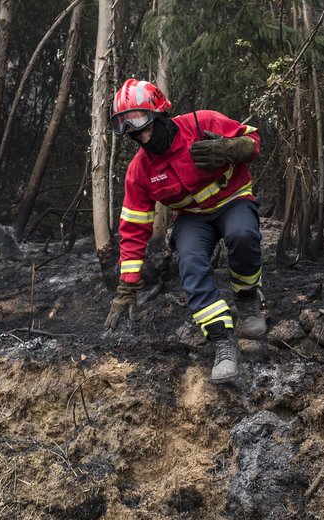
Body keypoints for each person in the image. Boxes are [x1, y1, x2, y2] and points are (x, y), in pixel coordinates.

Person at [104, 78, 266, 384]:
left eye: (146, 127)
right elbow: (133, 228)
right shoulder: (140, 171)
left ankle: (247, 298)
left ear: (162, 114)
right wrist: (127, 286)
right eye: (135, 135)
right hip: (192, 217)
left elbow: (254, 140)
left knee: (242, 236)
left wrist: (232, 148)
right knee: (190, 262)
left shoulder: (201, 122)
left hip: (232, 200)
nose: (144, 138)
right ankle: (223, 343)